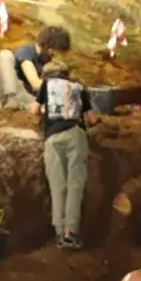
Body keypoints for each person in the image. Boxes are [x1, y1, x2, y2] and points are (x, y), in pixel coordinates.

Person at [31, 60, 97, 250]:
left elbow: (34, 110)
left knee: (57, 185)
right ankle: (71, 232)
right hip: (76, 135)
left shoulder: (46, 84)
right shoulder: (79, 86)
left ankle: (59, 232)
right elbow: (92, 119)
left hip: (53, 138)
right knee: (74, 184)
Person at [0, 25, 71, 110]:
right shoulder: (26, 52)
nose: (57, 54)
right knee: (5, 54)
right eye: (56, 51)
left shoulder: (50, 61)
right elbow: (35, 84)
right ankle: (11, 100)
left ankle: (19, 106)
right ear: (50, 47)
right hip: (10, 92)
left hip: (28, 98)